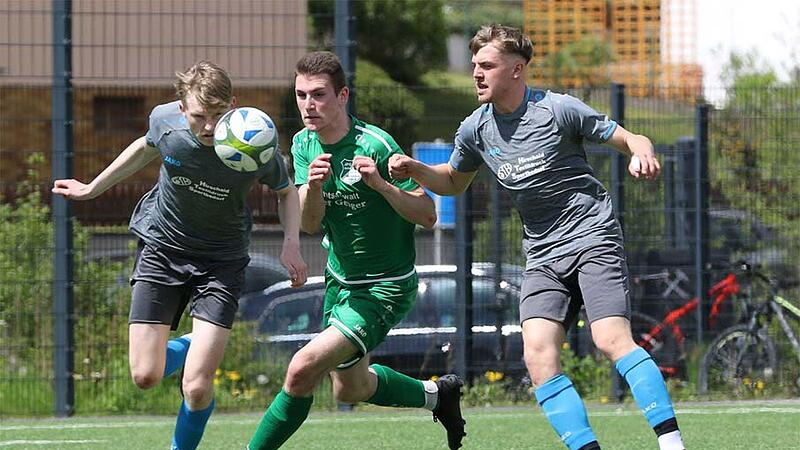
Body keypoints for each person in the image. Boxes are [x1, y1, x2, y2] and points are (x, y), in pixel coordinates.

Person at [389, 25, 686, 450]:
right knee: (539, 357)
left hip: (592, 236)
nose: (476, 73)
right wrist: (416, 169)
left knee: (610, 339)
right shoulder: (476, 128)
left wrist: (643, 151)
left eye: (486, 65)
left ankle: (672, 444)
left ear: (516, 69)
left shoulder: (558, 109)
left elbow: (630, 137)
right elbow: (453, 181)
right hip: (543, 254)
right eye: (474, 65)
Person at [52, 60, 308, 450]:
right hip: (163, 249)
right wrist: (91, 189)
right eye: (199, 116)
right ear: (181, 107)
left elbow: (287, 191)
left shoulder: (253, 140)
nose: (208, 127)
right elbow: (143, 148)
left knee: (197, 387)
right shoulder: (165, 123)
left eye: (217, 115)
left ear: (233, 105)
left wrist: (292, 242)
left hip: (222, 261)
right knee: (145, 375)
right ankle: (196, 344)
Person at [247, 51, 467, 450]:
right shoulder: (302, 144)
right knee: (351, 389)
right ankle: (439, 396)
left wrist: (382, 186)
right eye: (300, 95)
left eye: (318, 95)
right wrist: (313, 188)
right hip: (340, 282)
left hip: (385, 287)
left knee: (300, 369)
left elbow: (428, 214)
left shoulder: (376, 144)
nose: (308, 106)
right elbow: (311, 223)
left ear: (343, 95)